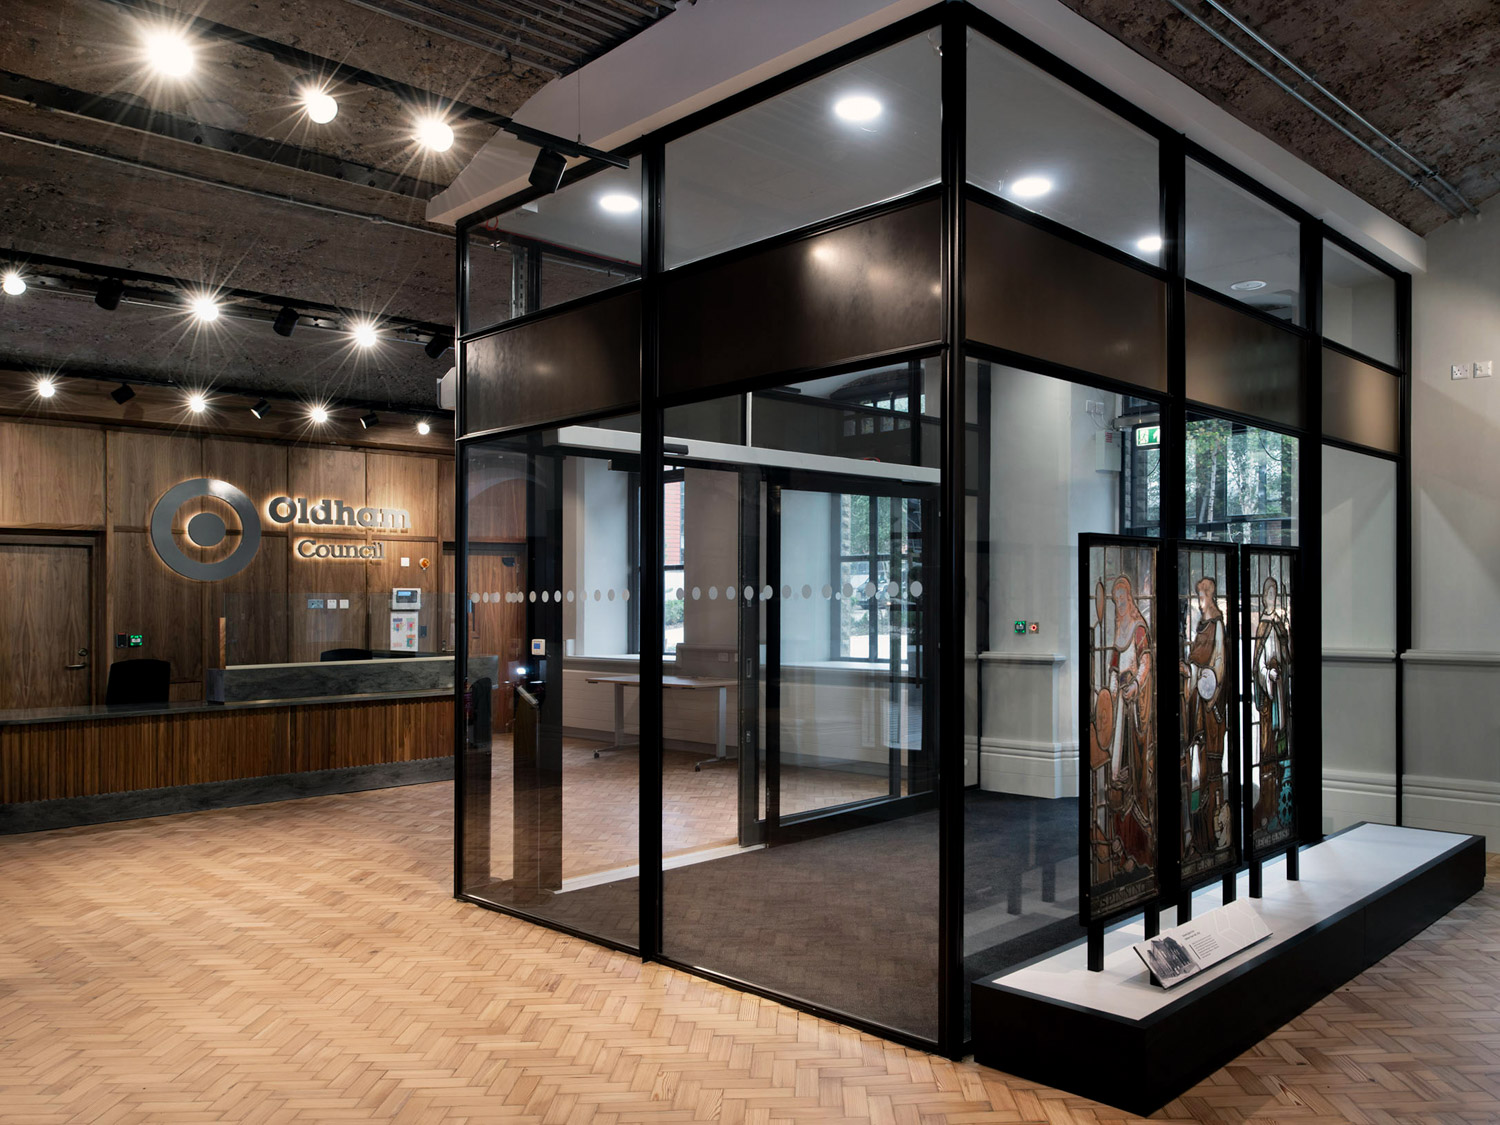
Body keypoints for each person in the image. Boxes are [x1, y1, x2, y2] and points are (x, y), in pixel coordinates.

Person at [1181, 575, 1229, 862]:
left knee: (1209, 768)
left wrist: (1198, 675)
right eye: (1198, 596)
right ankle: (1197, 837)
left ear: (1210, 598)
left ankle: (1213, 836)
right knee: (1196, 771)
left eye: (1202, 596)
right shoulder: (1202, 627)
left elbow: (1218, 668)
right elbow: (1198, 662)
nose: (1199, 602)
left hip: (1210, 708)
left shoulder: (1217, 627)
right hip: (1197, 706)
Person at [1251, 575, 1292, 833]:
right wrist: (1267, 673)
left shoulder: (1278, 625)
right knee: (1267, 748)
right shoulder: (1262, 628)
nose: (1271, 599)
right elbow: (1256, 665)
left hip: (1280, 695)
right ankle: (1266, 804)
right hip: (1268, 698)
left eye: (1274, 595)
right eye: (1268, 595)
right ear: (1263, 598)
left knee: (1280, 746)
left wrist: (1282, 669)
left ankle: (1280, 804)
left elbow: (1288, 658)